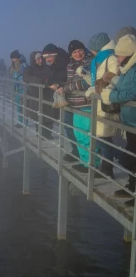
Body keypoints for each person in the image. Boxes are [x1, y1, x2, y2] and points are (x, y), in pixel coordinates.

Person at [101, 34, 136, 200]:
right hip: (130, 121)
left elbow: (133, 92)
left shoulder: (134, 69)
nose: (117, 57)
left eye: (120, 54)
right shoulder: (127, 68)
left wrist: (111, 97)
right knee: (131, 156)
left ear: (128, 53)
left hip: (135, 122)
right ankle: (132, 186)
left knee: (130, 158)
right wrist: (113, 83)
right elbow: (125, 87)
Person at [54, 40, 96, 172]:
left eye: (80, 50)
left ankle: (92, 165)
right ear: (71, 54)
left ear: (85, 50)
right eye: (74, 52)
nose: (78, 54)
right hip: (74, 104)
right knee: (79, 135)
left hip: (87, 103)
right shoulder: (70, 64)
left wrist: (66, 88)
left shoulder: (90, 62)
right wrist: (62, 85)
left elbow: (86, 82)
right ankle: (85, 163)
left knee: (88, 136)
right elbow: (71, 81)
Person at [85, 32, 119, 178]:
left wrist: (95, 89)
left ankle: (108, 169)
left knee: (105, 138)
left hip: (106, 104)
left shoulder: (110, 59)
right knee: (102, 137)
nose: (91, 51)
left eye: (92, 48)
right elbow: (98, 81)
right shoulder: (101, 59)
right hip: (99, 104)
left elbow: (113, 80)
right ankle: (105, 167)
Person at [43, 44, 69, 151]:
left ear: (54, 55)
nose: (47, 60)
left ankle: (80, 155)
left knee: (69, 124)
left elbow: (64, 76)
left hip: (69, 96)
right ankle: (77, 153)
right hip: (62, 95)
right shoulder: (57, 62)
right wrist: (49, 83)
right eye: (46, 58)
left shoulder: (63, 62)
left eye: (49, 57)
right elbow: (54, 76)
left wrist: (58, 84)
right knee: (67, 123)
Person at [23, 51, 52, 137]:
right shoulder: (29, 69)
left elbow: (53, 77)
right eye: (38, 59)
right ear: (33, 60)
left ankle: (48, 134)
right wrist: (41, 83)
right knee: (37, 115)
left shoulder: (48, 68)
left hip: (47, 95)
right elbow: (26, 78)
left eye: (42, 58)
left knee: (48, 115)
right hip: (36, 95)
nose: (40, 60)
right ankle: (39, 133)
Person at [9, 50, 27, 127]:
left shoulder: (23, 64)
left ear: (16, 57)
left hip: (22, 87)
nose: (13, 60)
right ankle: (20, 122)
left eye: (13, 58)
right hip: (17, 87)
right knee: (19, 106)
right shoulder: (15, 65)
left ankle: (24, 123)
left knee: (23, 105)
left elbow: (24, 74)